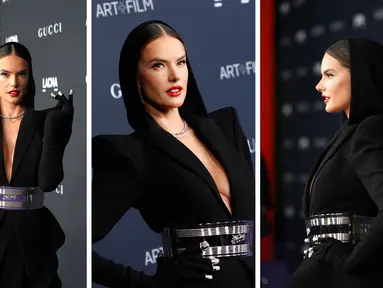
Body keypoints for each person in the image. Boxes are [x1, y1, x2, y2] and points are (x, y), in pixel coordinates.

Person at [92, 20, 255, 287]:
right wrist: (149, 284)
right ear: (135, 78)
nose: (175, 75)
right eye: (158, 65)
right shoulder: (130, 154)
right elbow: (69, 244)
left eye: (180, 62)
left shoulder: (226, 126)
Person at [290, 38, 383, 287]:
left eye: (329, 75)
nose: (319, 86)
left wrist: (350, 262)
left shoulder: (369, 130)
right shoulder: (347, 135)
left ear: (360, 77)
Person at [0, 42, 73, 287]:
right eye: (4, 74)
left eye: (21, 74)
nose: (14, 83)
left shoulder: (45, 120)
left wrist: (57, 130)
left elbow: (48, 182)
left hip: (33, 241)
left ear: (30, 77)